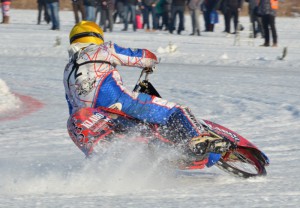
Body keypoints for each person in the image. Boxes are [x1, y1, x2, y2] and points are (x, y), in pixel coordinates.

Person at [64, 21, 230, 164]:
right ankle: (200, 138)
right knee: (176, 110)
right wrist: (151, 60)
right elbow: (140, 57)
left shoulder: (67, 71)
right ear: (96, 37)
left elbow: (72, 106)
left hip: (96, 120)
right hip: (120, 103)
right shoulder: (103, 50)